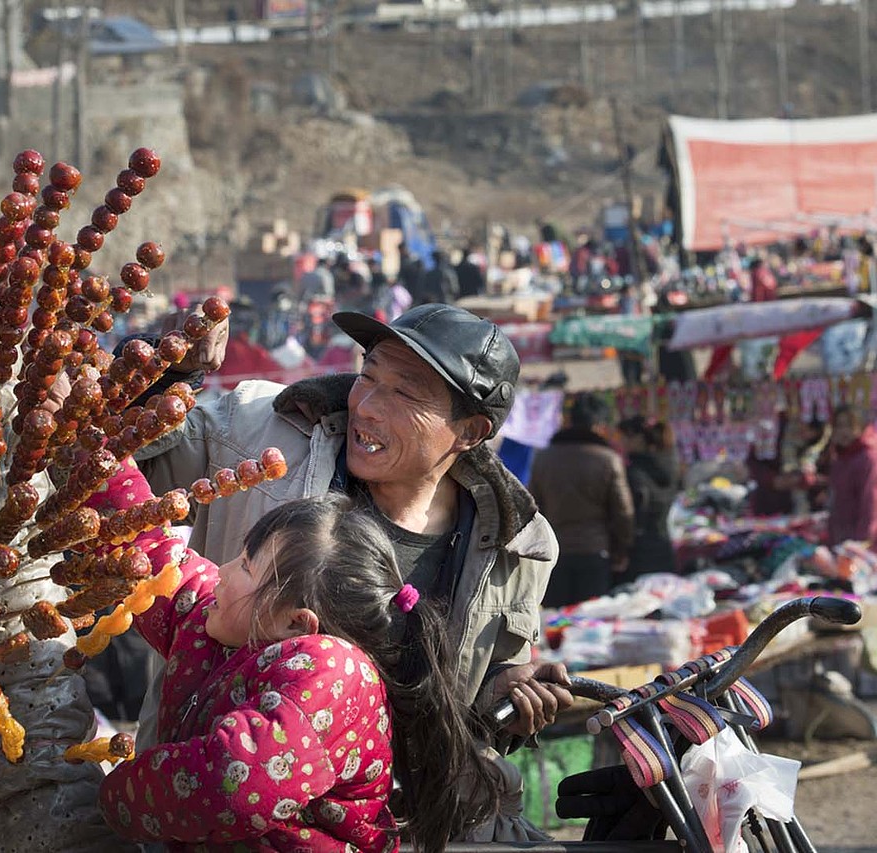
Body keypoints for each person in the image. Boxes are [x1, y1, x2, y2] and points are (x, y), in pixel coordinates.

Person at [121, 303, 572, 843]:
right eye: (369, 376)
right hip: (215, 814)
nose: (369, 407)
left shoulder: (518, 545)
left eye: (405, 393)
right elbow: (122, 460)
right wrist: (169, 370)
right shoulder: (258, 432)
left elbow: (464, 701)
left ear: (470, 431)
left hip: (407, 826)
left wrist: (507, 690)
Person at [96, 480, 503, 852]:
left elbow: (233, 779)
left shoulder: (338, 672)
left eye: (245, 566)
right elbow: (154, 558)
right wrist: (94, 456)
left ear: (297, 622)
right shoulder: (223, 626)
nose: (222, 571)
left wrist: (108, 798)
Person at [529, 394, 634, 607]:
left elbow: (532, 507)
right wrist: (622, 550)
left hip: (553, 553)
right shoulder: (608, 460)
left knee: (556, 624)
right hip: (595, 553)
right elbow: (623, 513)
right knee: (591, 624)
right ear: (598, 425)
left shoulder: (544, 458)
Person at [617, 417, 679, 580]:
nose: (622, 442)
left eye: (625, 437)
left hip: (639, 555)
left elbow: (630, 516)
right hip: (664, 547)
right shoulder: (669, 466)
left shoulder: (634, 474)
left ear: (639, 439)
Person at [826, 404, 877, 558]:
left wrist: (862, 543)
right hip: (843, 538)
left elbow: (872, 502)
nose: (844, 432)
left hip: (865, 545)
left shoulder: (869, 459)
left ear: (861, 427)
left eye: (849, 425)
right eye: (839, 426)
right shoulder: (840, 458)